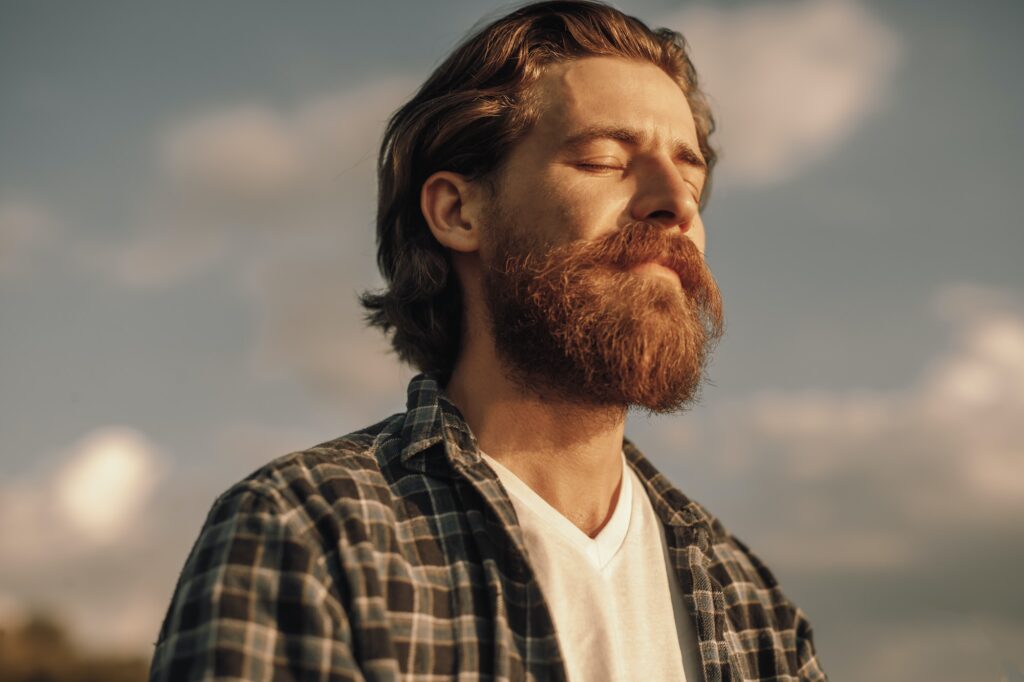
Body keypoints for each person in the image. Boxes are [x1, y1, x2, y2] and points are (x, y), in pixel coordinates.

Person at [149, 1, 827, 680]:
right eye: (602, 160)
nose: (676, 203)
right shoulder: (307, 536)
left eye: (690, 174)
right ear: (458, 211)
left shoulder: (752, 606)